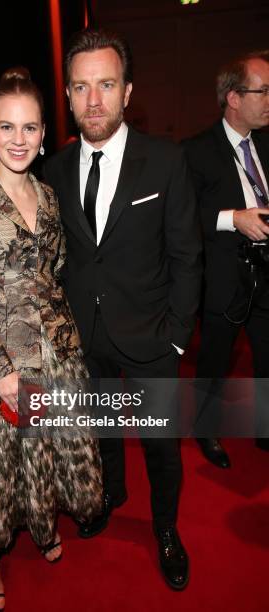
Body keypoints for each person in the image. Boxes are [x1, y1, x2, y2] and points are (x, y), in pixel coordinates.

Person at [44, 29, 202, 590]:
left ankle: (165, 529)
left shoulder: (165, 160)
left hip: (154, 338)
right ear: (66, 95)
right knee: (104, 433)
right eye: (81, 87)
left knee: (162, 449)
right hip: (87, 340)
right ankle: (112, 491)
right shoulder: (54, 172)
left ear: (128, 91)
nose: (93, 101)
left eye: (106, 85)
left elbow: (187, 255)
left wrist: (179, 337)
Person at [0, 68, 103, 611]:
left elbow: (53, 269)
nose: (19, 139)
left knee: (47, 453)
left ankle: (40, 523)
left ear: (41, 132)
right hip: (2, 363)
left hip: (55, 351)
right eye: (7, 127)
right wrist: (2, 372)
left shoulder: (50, 196)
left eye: (30, 128)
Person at [184, 51, 269, 466]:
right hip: (225, 277)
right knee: (215, 361)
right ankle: (206, 429)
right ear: (234, 97)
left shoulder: (266, 142)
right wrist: (233, 218)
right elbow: (183, 219)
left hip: (266, 272)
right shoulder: (195, 151)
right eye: (263, 90)